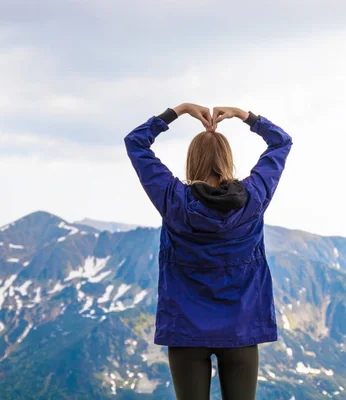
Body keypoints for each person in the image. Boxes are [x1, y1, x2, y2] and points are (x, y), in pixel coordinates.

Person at [124, 103, 292, 400]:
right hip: (240, 330)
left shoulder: (173, 199)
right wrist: (245, 116)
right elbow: (281, 141)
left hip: (186, 330)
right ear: (228, 159)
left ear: (192, 161)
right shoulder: (253, 198)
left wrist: (180, 111)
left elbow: (135, 141)